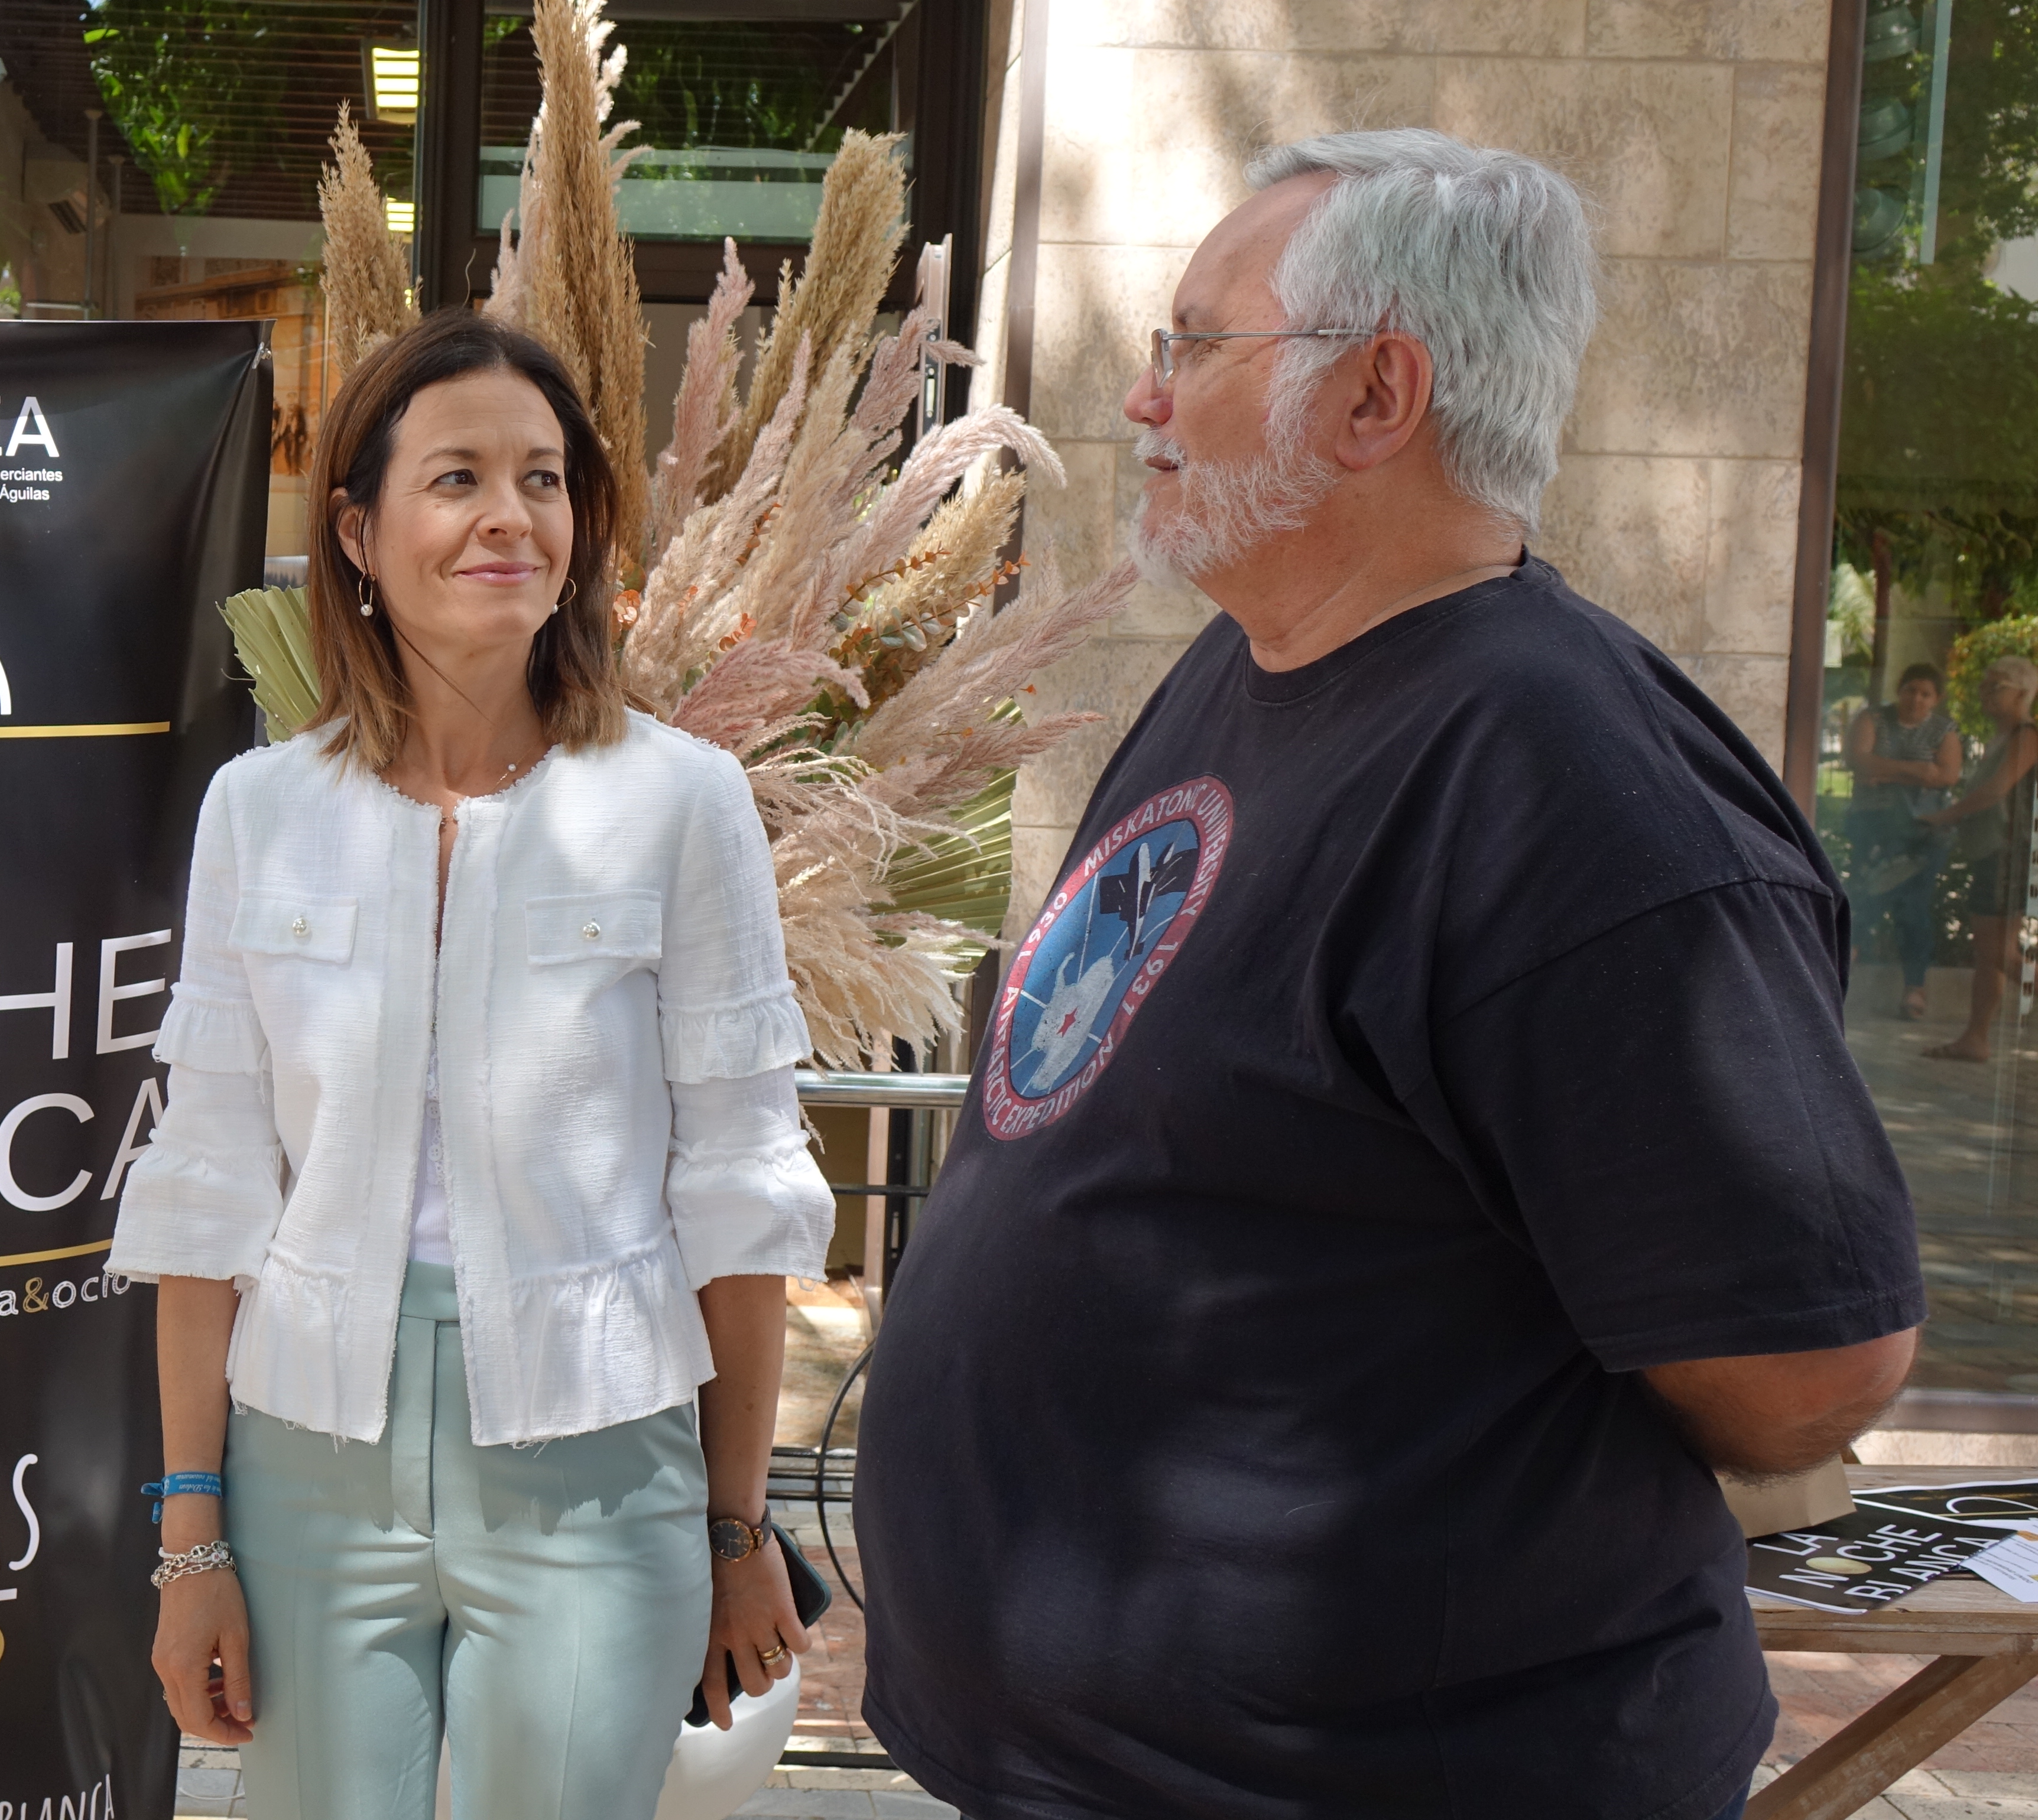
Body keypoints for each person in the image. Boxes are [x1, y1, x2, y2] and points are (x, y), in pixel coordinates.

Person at [852, 129, 1923, 1820]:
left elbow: (1812, 1365)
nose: (1143, 399)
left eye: (1195, 345)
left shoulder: (1574, 791)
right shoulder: (1254, 661)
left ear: (1376, 396)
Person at [105, 310, 834, 1820]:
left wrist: (732, 1525)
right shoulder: (257, 812)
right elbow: (206, 1189)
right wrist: (192, 1541)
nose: (511, 518)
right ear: (358, 534)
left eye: (544, 480)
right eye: (458, 481)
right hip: (307, 1456)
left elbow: (742, 1192)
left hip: (595, 1455)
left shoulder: (683, 804)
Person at [1920, 655, 2038, 1062]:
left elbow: (1995, 793)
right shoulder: (2004, 737)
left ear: (2022, 694)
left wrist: (1945, 815)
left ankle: (1976, 1037)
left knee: (2000, 951)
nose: (1986, 692)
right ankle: (1976, 1037)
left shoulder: (2027, 734)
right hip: (1992, 851)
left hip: (2007, 853)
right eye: (1986, 684)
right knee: (1990, 951)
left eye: (1997, 686)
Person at [1845, 663, 1961, 1018]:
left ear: (1936, 699)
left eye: (1926, 693)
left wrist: (1885, 770)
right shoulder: (1873, 719)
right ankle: (1838, 982)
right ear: (1900, 690)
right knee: (1862, 904)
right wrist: (1918, 771)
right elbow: (1858, 761)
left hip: (1922, 836)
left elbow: (1947, 776)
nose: (1916, 699)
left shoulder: (1944, 730)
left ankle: (1915, 989)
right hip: (1873, 828)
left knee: (1914, 912)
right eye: (1911, 690)